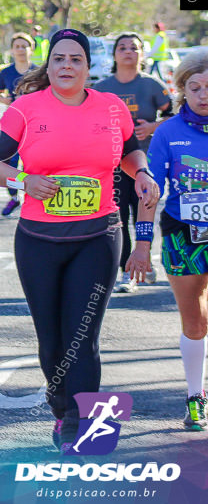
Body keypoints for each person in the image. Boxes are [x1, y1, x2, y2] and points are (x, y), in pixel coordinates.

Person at [0, 28, 158, 451]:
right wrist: (24, 180)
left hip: (98, 235)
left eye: (75, 59)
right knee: (51, 339)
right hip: (38, 239)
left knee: (83, 336)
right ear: (49, 64)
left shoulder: (112, 108)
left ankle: (84, 425)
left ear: (87, 67)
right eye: (59, 59)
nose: (66, 66)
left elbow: (131, 153)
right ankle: (62, 408)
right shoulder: (25, 109)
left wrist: (143, 173)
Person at [130, 48, 208, 430]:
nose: (204, 94)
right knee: (195, 320)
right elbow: (150, 191)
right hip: (183, 234)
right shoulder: (168, 133)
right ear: (182, 91)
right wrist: (141, 246)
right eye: (195, 87)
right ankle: (195, 396)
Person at [93, 33, 172, 293]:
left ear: (142, 53)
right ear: (114, 55)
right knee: (119, 218)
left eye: (134, 48)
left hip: (146, 165)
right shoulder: (102, 87)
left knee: (144, 215)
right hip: (113, 165)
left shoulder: (152, 84)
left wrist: (152, 126)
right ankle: (127, 271)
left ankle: (145, 260)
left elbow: (174, 116)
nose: (128, 52)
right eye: (122, 47)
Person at [0, 32, 38, 216]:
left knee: (34, 163)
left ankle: (34, 198)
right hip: (13, 124)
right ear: (12, 50)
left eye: (24, 46)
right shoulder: (6, 72)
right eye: (17, 46)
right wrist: (5, 101)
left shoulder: (39, 72)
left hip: (36, 125)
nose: (21, 50)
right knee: (9, 164)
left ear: (31, 49)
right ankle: (14, 197)